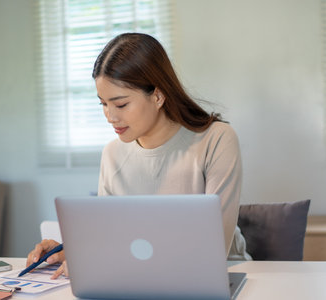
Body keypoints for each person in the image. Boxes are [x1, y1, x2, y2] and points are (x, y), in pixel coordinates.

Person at [26, 33, 244, 279]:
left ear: (158, 96)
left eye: (120, 104)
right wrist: (74, 252)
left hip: (223, 274)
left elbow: (213, 248)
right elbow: (111, 237)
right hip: (138, 275)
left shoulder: (216, 139)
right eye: (103, 104)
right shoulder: (112, 153)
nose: (110, 116)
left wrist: (106, 257)